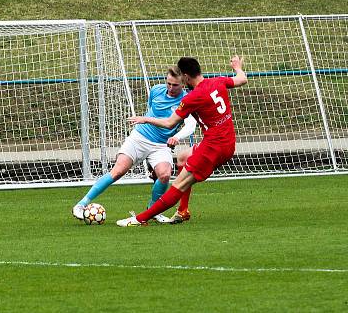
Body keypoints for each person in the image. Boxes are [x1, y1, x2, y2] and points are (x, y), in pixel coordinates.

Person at [117, 55, 248, 227]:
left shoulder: (192, 97)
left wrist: (146, 119)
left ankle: (139, 219)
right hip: (227, 142)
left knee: (178, 185)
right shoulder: (217, 81)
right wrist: (237, 66)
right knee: (183, 157)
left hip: (213, 148)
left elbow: (169, 123)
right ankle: (183, 210)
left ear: (185, 77)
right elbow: (242, 79)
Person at [72, 67, 197, 224]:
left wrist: (176, 137)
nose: (171, 88)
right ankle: (81, 204)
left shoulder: (187, 100)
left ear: (183, 84)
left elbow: (190, 126)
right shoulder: (156, 90)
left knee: (165, 176)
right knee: (118, 171)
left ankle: (152, 211)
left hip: (161, 145)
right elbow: (151, 110)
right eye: (169, 84)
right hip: (139, 137)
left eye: (175, 85)